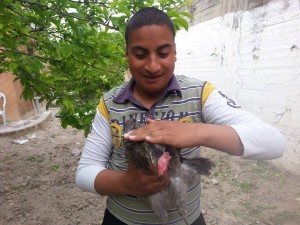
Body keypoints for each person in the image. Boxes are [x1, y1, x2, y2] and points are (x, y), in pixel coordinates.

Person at [76, 7, 286, 225]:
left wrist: (194, 131)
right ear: (127, 54)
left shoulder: (200, 94)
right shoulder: (110, 103)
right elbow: (84, 173)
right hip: (121, 219)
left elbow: (274, 142)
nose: (153, 65)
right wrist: (126, 183)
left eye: (164, 53)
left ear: (175, 52)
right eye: (140, 55)